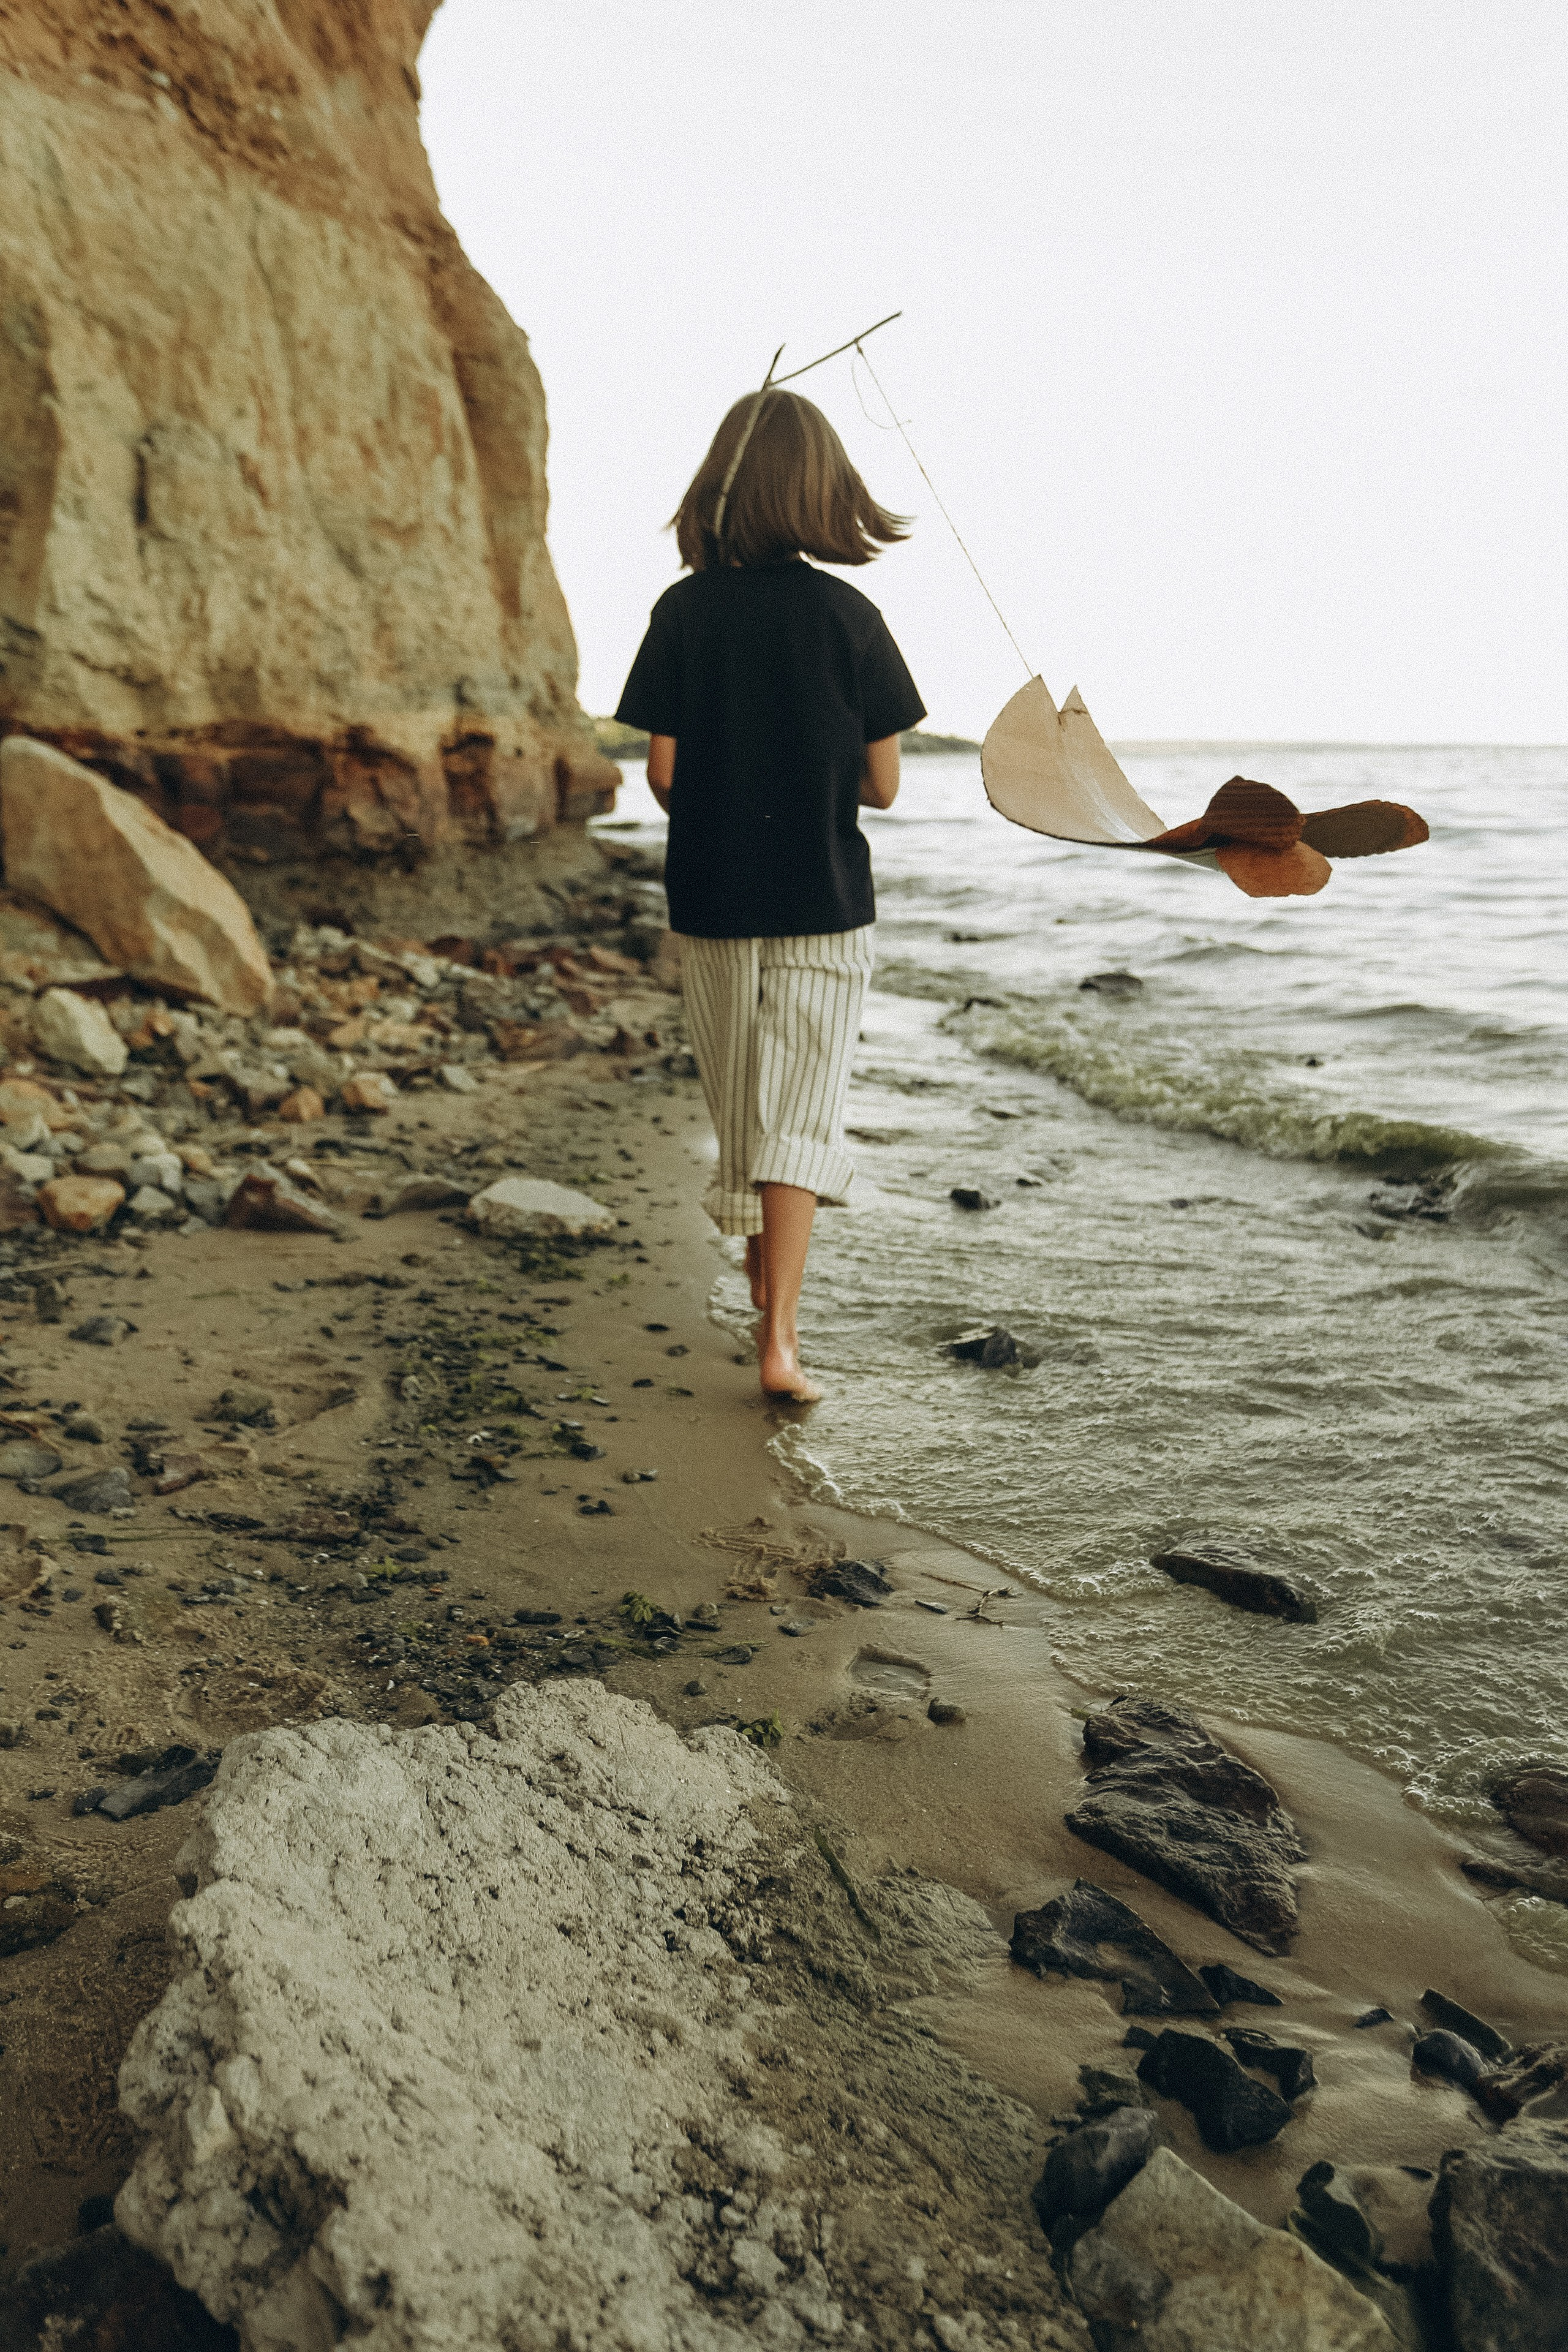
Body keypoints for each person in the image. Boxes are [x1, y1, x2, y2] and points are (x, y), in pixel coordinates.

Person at [615, 386, 925, 1400]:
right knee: (802, 1112)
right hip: (826, 901)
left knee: (742, 1104)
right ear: (823, 494)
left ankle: (759, 1281)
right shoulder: (852, 617)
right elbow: (881, 785)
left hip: (711, 897)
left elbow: (662, 774)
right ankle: (781, 1339)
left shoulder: (681, 612)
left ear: (721, 487)